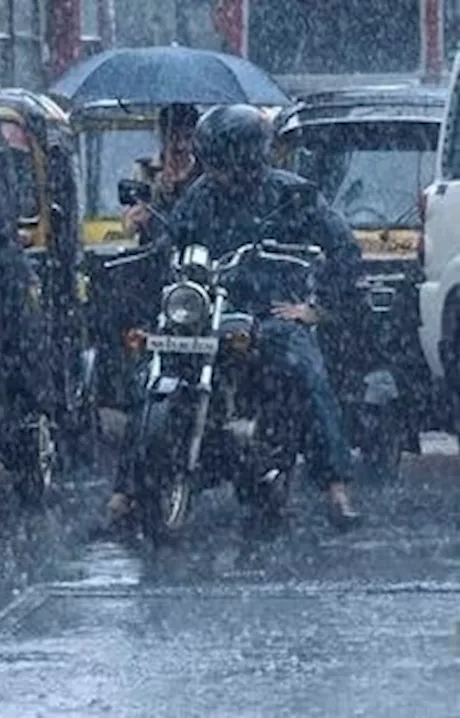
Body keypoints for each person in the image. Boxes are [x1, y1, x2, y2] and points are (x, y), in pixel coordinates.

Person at [106, 104, 362, 531]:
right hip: (207, 310)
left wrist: (317, 310)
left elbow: (343, 248)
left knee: (307, 371)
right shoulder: (201, 195)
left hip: (271, 313)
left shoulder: (292, 195)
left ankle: (336, 488)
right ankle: (124, 493)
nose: (219, 173)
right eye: (214, 163)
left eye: (226, 163)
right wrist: (147, 228)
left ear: (249, 159)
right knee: (150, 375)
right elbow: (173, 238)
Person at [121, 103, 201, 243]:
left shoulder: (203, 173)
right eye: (174, 137)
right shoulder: (144, 171)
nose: (180, 146)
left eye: (187, 137)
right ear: (162, 135)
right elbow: (129, 228)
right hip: (152, 252)